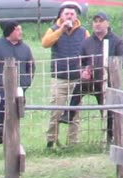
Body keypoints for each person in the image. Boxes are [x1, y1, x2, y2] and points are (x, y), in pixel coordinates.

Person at [71, 12, 123, 141]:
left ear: (107, 24)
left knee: (108, 112)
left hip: (109, 82)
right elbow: (80, 60)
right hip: (91, 80)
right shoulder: (87, 42)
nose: (97, 24)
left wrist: (111, 67)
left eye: (100, 21)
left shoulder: (117, 41)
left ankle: (110, 138)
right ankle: (68, 114)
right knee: (78, 89)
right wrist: (83, 70)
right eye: (95, 21)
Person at [0, 21, 35, 145]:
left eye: (20, 29)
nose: (20, 32)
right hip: (1, 85)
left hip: (20, 86)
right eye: (17, 30)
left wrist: (26, 82)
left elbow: (31, 66)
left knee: (16, 109)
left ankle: (11, 137)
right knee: (3, 101)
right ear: (9, 32)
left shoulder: (25, 48)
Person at [41, 6, 87, 148]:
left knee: (75, 112)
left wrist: (85, 68)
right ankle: (51, 141)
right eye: (66, 13)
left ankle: (73, 143)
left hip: (77, 77)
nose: (69, 16)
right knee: (56, 110)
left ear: (76, 17)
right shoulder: (54, 29)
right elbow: (45, 43)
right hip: (59, 76)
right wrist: (61, 30)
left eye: (72, 14)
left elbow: (89, 50)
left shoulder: (83, 32)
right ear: (61, 15)